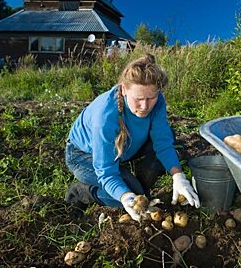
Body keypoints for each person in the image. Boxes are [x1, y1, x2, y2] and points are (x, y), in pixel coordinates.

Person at [64, 53, 200, 221]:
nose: (145, 106)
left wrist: (178, 176)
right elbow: (106, 173)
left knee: (169, 137)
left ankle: (139, 183)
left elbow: (163, 142)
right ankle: (83, 192)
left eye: (151, 98)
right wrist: (126, 197)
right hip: (84, 155)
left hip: (127, 145)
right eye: (138, 99)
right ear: (123, 89)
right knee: (132, 195)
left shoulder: (156, 102)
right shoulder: (105, 118)